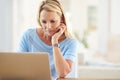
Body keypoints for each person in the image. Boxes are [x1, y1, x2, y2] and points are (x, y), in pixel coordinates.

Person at [17, 0, 78, 78]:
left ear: (61, 19)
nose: (48, 26)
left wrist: (55, 42)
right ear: (39, 20)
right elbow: (19, 66)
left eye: (53, 21)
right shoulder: (28, 36)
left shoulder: (70, 42)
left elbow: (62, 73)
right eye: (44, 21)